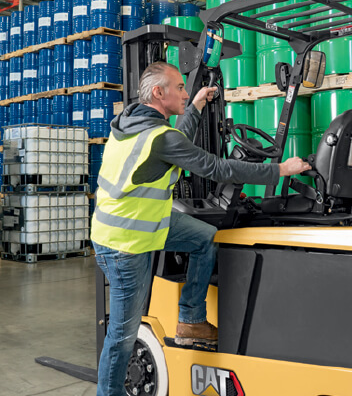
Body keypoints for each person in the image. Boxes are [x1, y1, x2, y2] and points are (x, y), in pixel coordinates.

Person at [90, 61, 311, 396]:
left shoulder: (135, 124)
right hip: (126, 244)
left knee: (204, 237)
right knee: (122, 334)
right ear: (158, 92)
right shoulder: (156, 137)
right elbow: (214, 167)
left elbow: (176, 141)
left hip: (143, 223)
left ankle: (191, 320)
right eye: (179, 87)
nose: (185, 91)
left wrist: (194, 106)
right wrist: (279, 169)